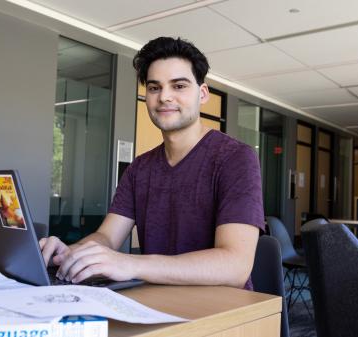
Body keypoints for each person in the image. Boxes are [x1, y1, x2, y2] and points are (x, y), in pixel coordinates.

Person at [40, 37, 264, 290]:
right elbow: (106, 237)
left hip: (222, 313)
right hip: (154, 303)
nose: (164, 97)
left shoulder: (235, 158)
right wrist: (71, 253)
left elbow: (235, 265)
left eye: (179, 86)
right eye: (155, 87)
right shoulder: (140, 168)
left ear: (202, 94)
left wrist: (130, 264)